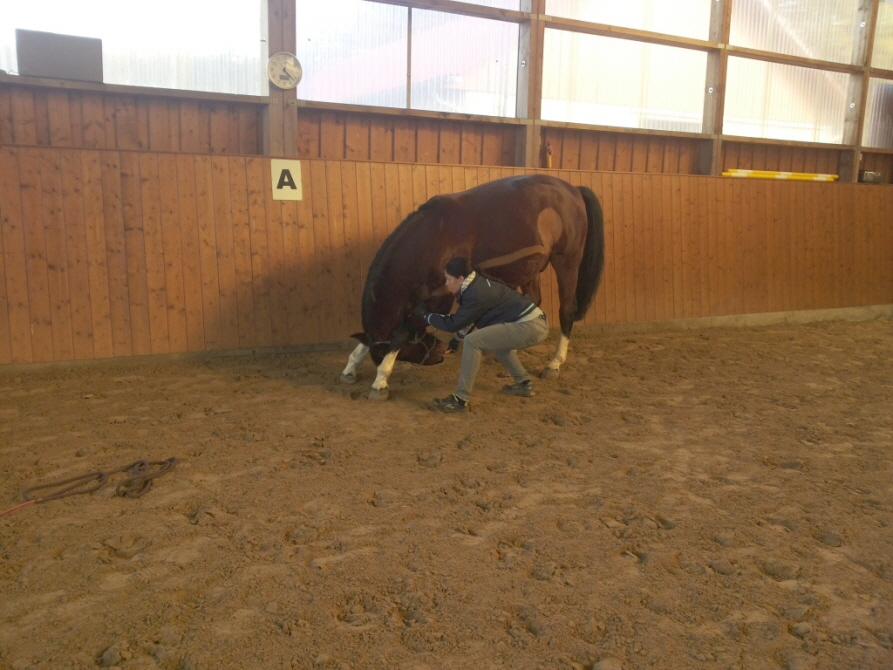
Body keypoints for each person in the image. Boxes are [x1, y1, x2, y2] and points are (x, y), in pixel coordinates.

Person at [415, 257, 549, 413]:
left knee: (473, 341)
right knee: (495, 343)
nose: (447, 283)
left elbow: (452, 324)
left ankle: (460, 400)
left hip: (530, 326)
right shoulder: (475, 285)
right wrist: (456, 340)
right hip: (534, 323)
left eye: (448, 279)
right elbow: (470, 320)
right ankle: (524, 384)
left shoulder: (476, 292)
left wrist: (426, 316)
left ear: (460, 278)